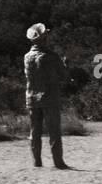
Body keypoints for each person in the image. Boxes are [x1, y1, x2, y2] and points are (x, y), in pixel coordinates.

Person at [23, 23, 69, 169]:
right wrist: (65, 65)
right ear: (43, 39)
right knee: (54, 131)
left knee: (34, 131)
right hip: (49, 97)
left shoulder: (27, 57)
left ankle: (37, 161)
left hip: (31, 97)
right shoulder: (52, 57)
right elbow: (63, 76)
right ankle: (58, 162)